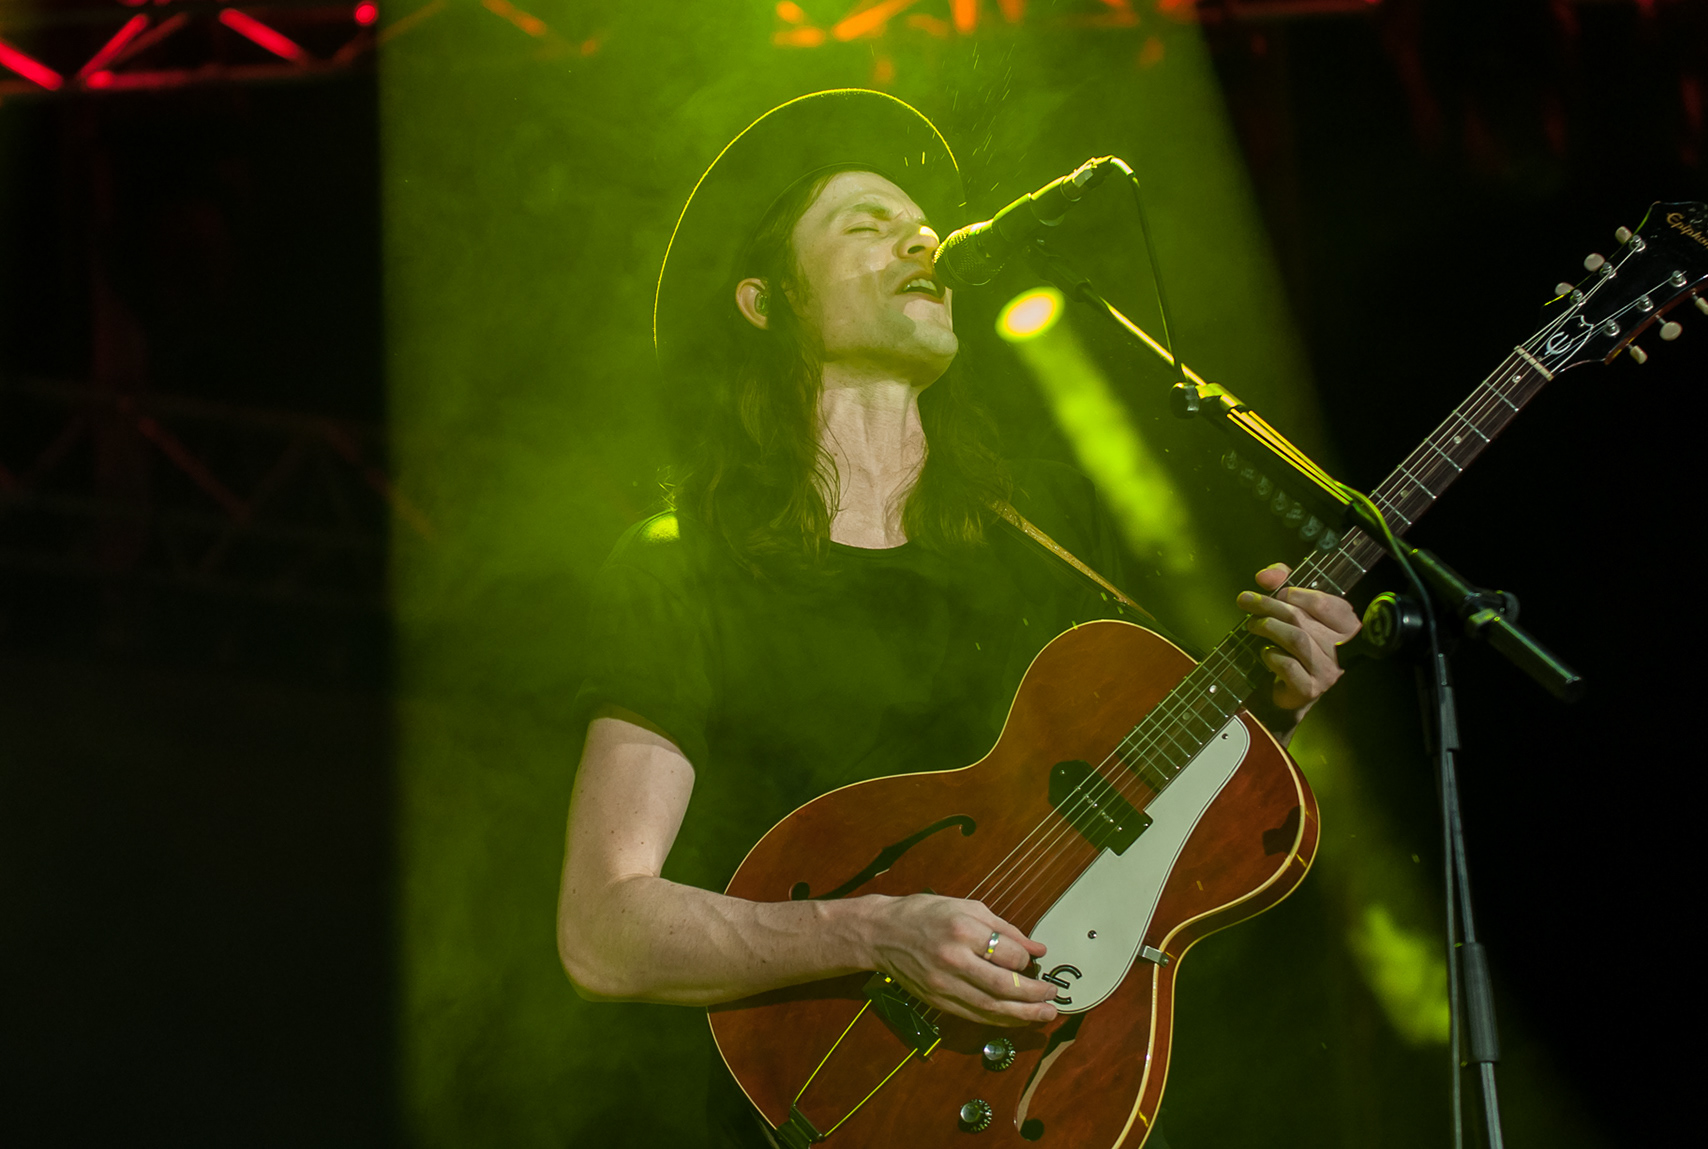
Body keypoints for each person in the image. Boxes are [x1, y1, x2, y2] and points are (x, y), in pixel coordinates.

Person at [556, 90, 1360, 1147]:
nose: (920, 240)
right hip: (833, 1100)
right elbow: (603, 927)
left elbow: (1138, 832)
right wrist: (877, 931)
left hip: (1050, 1093)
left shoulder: (1049, 529)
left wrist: (1271, 704)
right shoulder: (683, 565)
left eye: (922, 224)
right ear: (766, 301)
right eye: (866, 223)